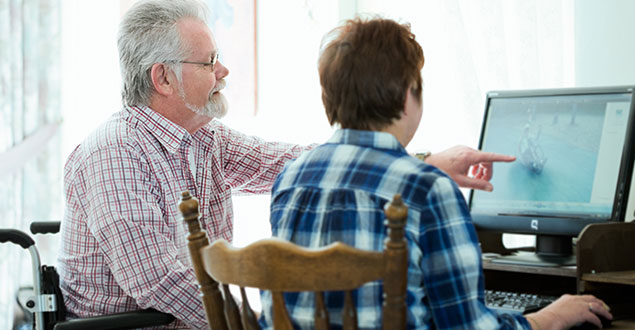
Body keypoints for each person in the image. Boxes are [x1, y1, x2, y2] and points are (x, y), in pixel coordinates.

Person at [58, 1, 517, 328]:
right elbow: (160, 282)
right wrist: (263, 324)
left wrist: (421, 160)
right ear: (162, 78)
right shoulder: (114, 154)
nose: (224, 72)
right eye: (210, 62)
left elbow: (296, 162)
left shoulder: (203, 138)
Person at [260, 17, 613, 330]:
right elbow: (468, 327)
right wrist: (551, 316)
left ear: (329, 97)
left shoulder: (291, 178)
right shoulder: (428, 189)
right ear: (406, 98)